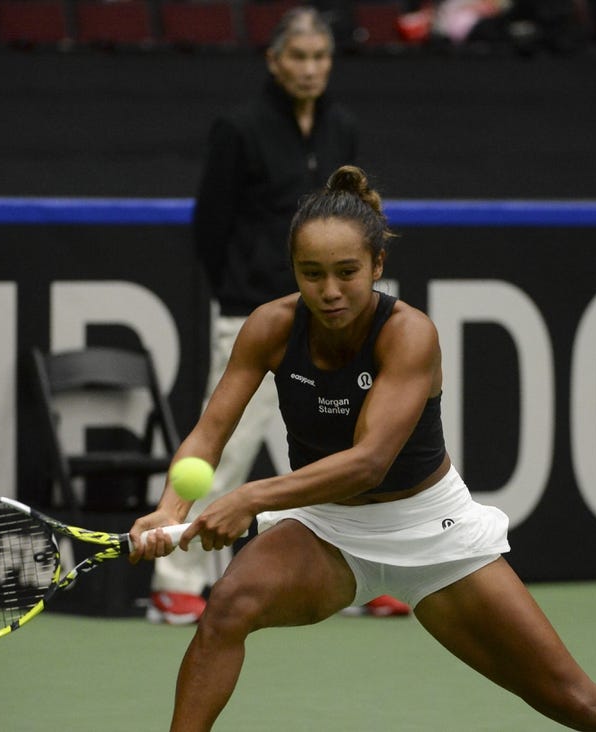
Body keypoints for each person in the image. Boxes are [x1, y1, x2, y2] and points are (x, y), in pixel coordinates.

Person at [130, 166, 596, 732]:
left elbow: (368, 463)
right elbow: (209, 433)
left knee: (576, 702)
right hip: (327, 530)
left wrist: (251, 498)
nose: (329, 292)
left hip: (432, 531)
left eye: (346, 273)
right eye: (312, 275)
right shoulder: (269, 327)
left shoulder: (409, 334)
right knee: (228, 607)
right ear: (293, 271)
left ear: (378, 266)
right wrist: (171, 507)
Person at [147, 5, 410, 623]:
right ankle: (175, 579)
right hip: (255, 317)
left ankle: (362, 576)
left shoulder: (340, 126)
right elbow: (210, 226)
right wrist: (244, 296)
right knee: (224, 452)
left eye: (320, 57)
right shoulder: (239, 129)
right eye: (299, 56)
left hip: (338, 327)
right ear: (274, 61)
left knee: (343, 455)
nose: (311, 68)